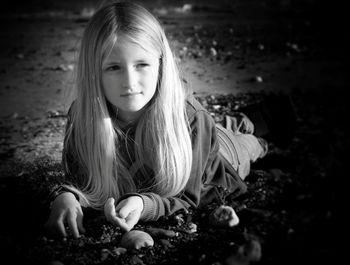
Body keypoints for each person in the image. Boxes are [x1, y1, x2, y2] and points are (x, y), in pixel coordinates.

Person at [44, 1, 269, 239]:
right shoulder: (83, 117)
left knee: (249, 143)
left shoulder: (192, 120)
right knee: (219, 123)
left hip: (219, 158)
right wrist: (66, 197)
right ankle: (237, 120)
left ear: (161, 64)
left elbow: (189, 199)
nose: (129, 83)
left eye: (142, 64)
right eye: (113, 67)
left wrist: (144, 205)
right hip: (195, 130)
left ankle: (258, 123)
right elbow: (77, 179)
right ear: (94, 70)